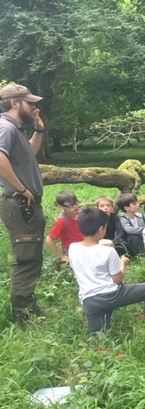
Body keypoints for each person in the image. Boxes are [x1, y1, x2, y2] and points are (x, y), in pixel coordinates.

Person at [68, 208, 145, 333]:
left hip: (89, 301)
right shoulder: (108, 252)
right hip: (111, 296)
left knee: (98, 338)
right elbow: (117, 279)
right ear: (101, 229)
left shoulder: (72, 248)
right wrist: (122, 262)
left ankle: (99, 344)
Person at [0, 83, 47, 322]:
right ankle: (23, 314)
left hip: (25, 204)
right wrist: (22, 189)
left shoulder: (16, 129)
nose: (34, 106)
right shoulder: (6, 127)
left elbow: (28, 153)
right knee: (26, 258)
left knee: (31, 256)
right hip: (19, 204)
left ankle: (28, 306)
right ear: (15, 103)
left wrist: (38, 130)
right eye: (29, 102)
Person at [45, 190, 83, 269]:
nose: (76, 206)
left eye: (76, 203)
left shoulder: (81, 214)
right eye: (71, 205)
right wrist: (62, 256)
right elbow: (49, 240)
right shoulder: (62, 221)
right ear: (61, 207)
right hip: (71, 247)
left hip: (85, 243)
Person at [116, 193, 145, 257]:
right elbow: (129, 230)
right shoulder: (122, 218)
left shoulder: (141, 216)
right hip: (131, 244)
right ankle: (141, 256)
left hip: (144, 240)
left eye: (137, 202)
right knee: (134, 237)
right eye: (134, 204)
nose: (138, 205)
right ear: (126, 208)